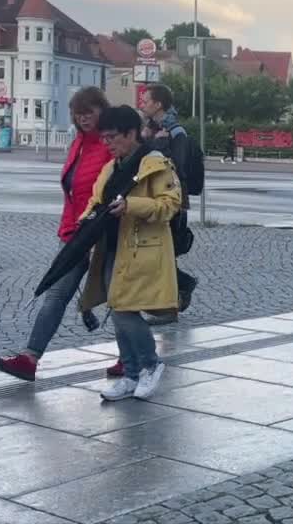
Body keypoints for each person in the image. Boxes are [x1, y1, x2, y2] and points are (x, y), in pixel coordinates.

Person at [0, 87, 113, 382]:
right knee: (56, 295)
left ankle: (133, 357)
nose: (83, 118)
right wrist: (68, 230)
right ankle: (30, 359)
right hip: (74, 235)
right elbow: (72, 193)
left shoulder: (110, 144)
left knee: (119, 298)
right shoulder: (78, 145)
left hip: (105, 234)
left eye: (89, 112)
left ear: (102, 110)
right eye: (78, 113)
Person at [80, 106, 182, 401]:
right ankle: (132, 373)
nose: (107, 144)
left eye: (113, 137)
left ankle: (150, 364)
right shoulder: (113, 166)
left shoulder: (156, 164)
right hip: (112, 248)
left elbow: (170, 205)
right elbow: (96, 200)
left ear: (131, 133)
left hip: (143, 249)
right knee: (117, 308)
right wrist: (85, 221)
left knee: (124, 310)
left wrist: (132, 207)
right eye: (104, 138)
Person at [139, 84, 198, 325]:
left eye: (146, 100)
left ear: (158, 104)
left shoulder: (175, 132)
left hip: (171, 201)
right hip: (153, 198)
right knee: (157, 253)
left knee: (163, 252)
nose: (142, 103)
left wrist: (156, 146)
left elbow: (177, 168)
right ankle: (170, 301)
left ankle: (173, 301)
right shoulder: (152, 129)